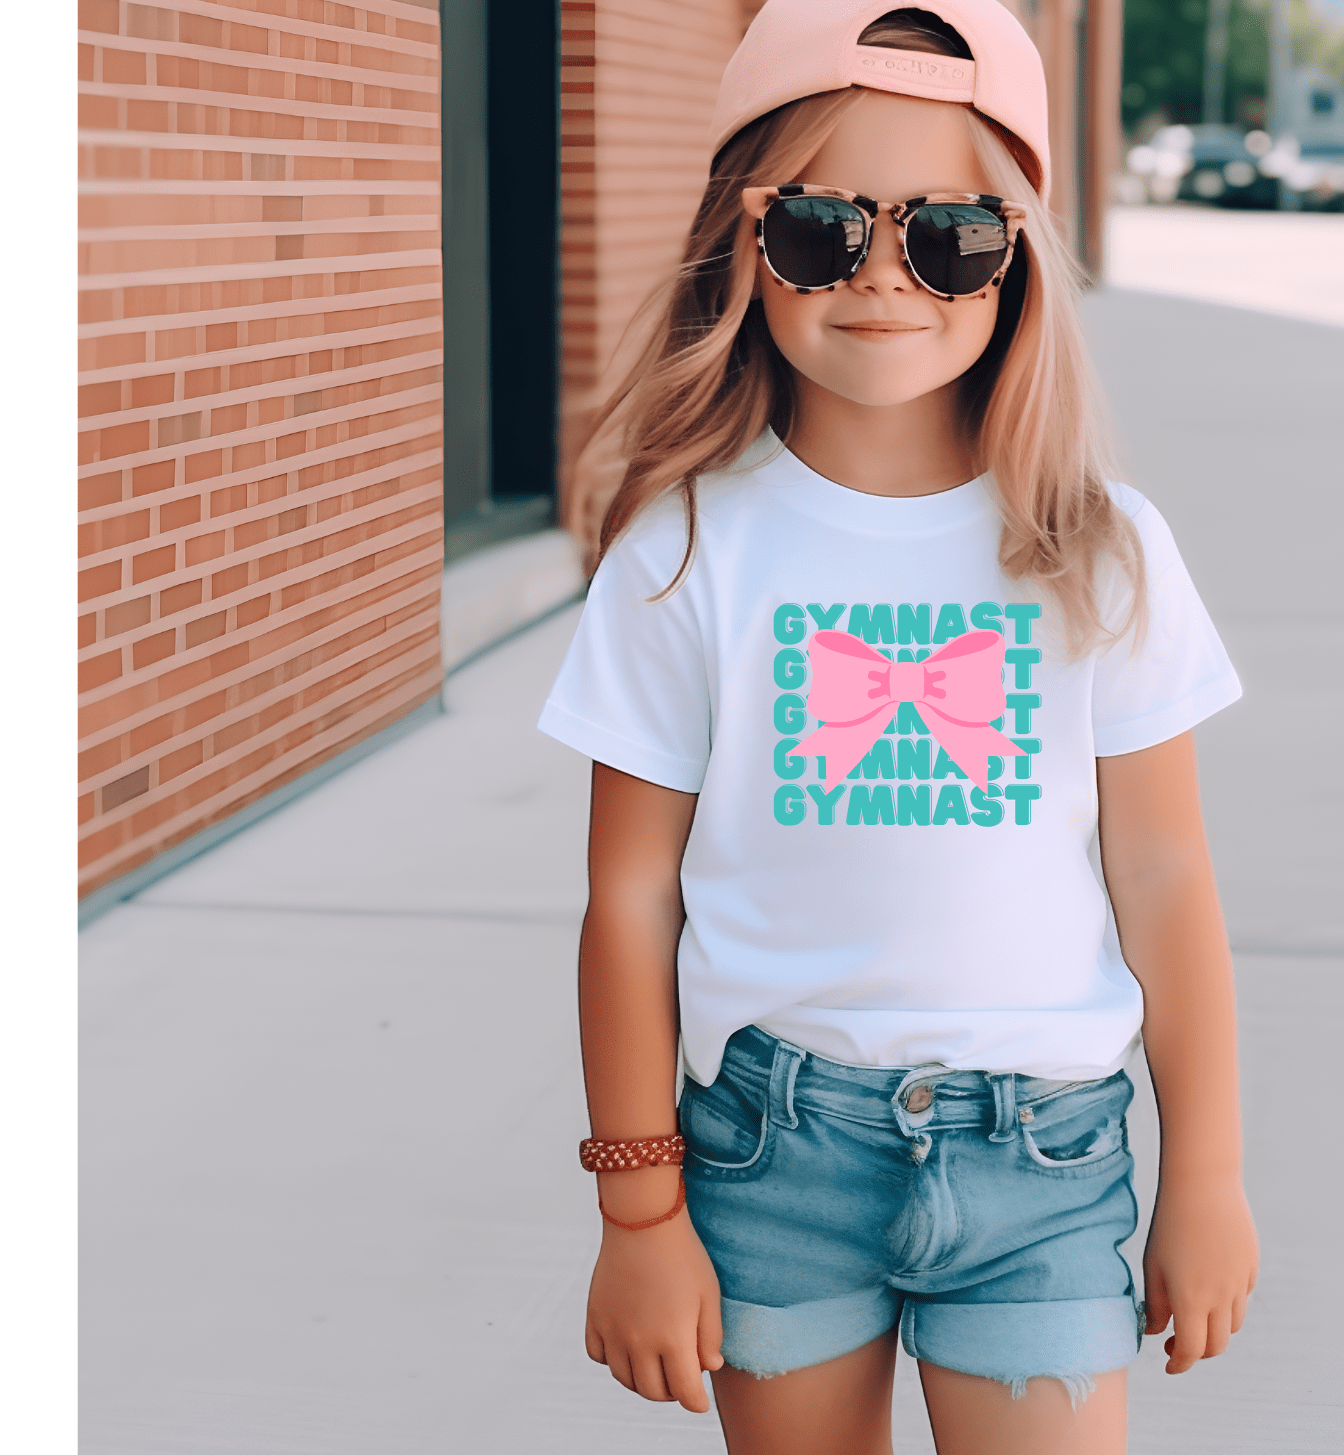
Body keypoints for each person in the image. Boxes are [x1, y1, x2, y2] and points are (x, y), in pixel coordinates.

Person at [537, 4, 1257, 1450]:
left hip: (1042, 1160)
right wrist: (639, 1206)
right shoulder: (685, 550)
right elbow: (628, 898)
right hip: (772, 1150)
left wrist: (1210, 1174)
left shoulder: (1099, 550)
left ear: (1022, 255)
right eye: (819, 225)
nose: (882, 276)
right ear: (743, 240)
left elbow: (1167, 876)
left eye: (950, 236)